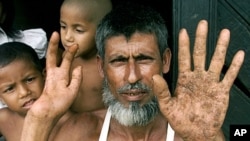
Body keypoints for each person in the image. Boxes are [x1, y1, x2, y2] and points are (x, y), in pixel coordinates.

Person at [21, 4, 245, 141]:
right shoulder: (79, 134)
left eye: (144, 59)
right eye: (118, 61)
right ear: (101, 67)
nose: (132, 77)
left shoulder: (189, 133)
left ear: (165, 61)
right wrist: (37, 121)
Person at [0, 42, 73, 141]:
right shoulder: (4, 119)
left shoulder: (66, 119)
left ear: (44, 76)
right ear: (1, 98)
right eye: (10, 89)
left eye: (29, 80)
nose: (24, 92)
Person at [59, 0, 112, 112]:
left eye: (78, 30)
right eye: (63, 27)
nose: (67, 37)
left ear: (102, 31)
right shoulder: (65, 57)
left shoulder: (107, 66)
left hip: (97, 126)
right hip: (70, 124)